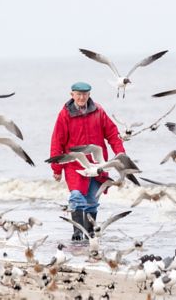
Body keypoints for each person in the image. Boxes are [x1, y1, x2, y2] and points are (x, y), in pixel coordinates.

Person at [50, 81, 125, 241]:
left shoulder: (98, 111)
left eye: (84, 94)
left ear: (89, 94)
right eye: (78, 94)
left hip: (97, 165)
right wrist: (56, 169)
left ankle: (90, 235)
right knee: (76, 197)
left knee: (92, 201)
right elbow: (57, 141)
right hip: (75, 165)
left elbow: (112, 133)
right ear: (72, 95)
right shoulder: (65, 114)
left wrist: (120, 154)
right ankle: (77, 235)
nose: (81, 97)